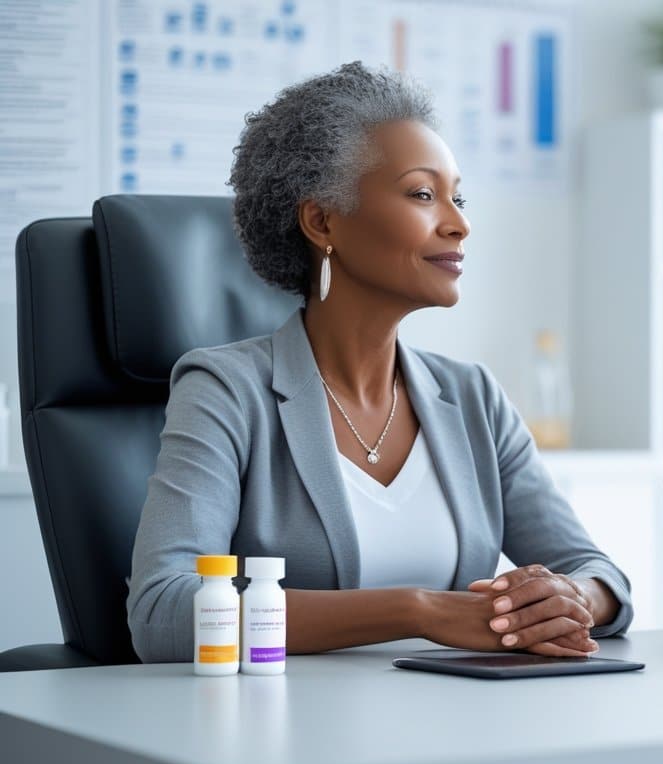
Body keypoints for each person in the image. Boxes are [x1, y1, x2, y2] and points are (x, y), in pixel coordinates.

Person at [127, 62, 632, 662]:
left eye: (458, 196)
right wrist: (416, 612)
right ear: (322, 221)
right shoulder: (226, 389)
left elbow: (599, 573)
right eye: (423, 194)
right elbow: (163, 610)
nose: (460, 222)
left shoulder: (472, 396)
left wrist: (568, 596)